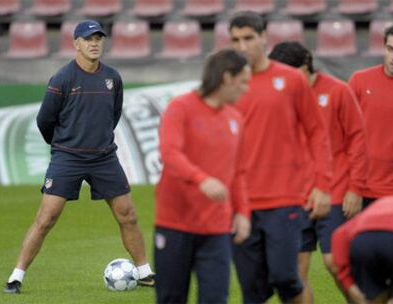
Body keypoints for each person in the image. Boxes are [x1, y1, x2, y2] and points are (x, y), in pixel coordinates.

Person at [3, 20, 154, 294]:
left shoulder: (113, 78)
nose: (94, 43)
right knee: (46, 218)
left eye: (98, 38)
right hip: (67, 158)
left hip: (104, 158)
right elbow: (44, 120)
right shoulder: (62, 78)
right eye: (88, 39)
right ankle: (16, 276)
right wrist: (63, 147)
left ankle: (144, 272)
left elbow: (113, 115)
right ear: (76, 44)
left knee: (128, 214)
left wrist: (98, 141)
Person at [228, 12, 332, 304]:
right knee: (253, 290)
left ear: (263, 38)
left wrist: (322, 185)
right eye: (236, 40)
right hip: (241, 205)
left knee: (287, 278)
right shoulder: (227, 85)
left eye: (248, 38)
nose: (243, 46)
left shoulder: (290, 80)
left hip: (284, 200)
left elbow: (317, 133)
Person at [269, 41, 367, 304]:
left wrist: (356, 188)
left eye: (289, 73)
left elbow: (358, 140)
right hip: (296, 196)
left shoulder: (338, 91)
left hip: (335, 192)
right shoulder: (282, 97)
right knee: (295, 272)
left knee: (336, 263)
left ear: (305, 67)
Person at [154, 48, 251, 304]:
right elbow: (169, 152)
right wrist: (202, 179)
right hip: (175, 223)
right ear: (227, 78)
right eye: (243, 82)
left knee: (216, 298)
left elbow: (238, 171)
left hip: (217, 227)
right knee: (171, 298)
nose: (246, 89)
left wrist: (242, 212)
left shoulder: (235, 119)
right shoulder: (180, 107)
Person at [349, 24, 393, 207]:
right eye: (390, 49)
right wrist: (352, 185)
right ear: (383, 48)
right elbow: (345, 132)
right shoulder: (359, 80)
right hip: (360, 187)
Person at [331, 194, 393, 304]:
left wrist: (347, 282)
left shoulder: (383, 202)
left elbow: (339, 235)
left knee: (374, 297)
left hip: (363, 243)